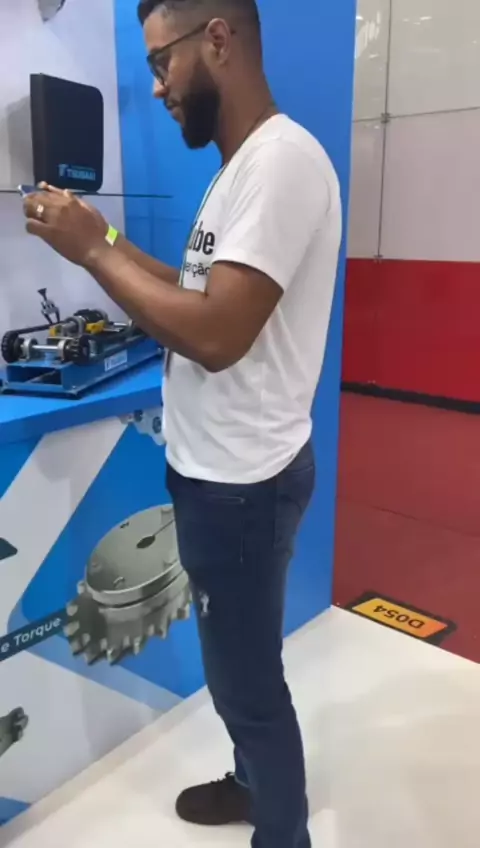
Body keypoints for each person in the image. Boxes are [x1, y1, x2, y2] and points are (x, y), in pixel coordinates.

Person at [22, 0, 342, 845]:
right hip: (220, 477)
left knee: (247, 686)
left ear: (219, 39)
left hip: (244, 486)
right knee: (237, 668)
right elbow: (196, 290)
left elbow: (216, 335)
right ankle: (252, 783)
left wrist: (94, 251)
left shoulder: (281, 164)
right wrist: (100, 234)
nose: (159, 86)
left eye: (163, 61)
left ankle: (283, 831)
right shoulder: (239, 171)